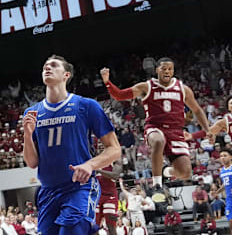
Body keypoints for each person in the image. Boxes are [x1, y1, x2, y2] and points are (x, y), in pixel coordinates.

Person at [23, 55, 121, 235]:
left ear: (66, 74)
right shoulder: (32, 112)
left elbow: (115, 149)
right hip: (48, 191)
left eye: (53, 65)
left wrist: (90, 164)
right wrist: (27, 135)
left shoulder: (86, 105)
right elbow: (32, 163)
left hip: (79, 187)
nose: (47, 68)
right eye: (45, 66)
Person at [101, 58, 210, 184]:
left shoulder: (183, 89)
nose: (167, 72)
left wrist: (208, 131)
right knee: (159, 140)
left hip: (176, 132)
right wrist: (107, 82)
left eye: (170, 69)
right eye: (164, 69)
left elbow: (197, 110)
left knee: (185, 173)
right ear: (157, 69)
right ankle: (157, 183)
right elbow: (120, 95)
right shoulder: (147, 87)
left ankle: (166, 171)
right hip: (155, 127)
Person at [96, 163, 122, 233]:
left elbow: (115, 175)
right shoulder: (95, 163)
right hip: (97, 196)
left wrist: (98, 170)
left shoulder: (116, 164)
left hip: (110, 197)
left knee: (110, 225)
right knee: (94, 226)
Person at [217, 148, 232, 227]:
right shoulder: (222, 170)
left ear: (230, 157)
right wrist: (217, 192)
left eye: (225, 156)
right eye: (221, 156)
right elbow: (225, 184)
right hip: (229, 200)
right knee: (230, 222)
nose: (222, 158)